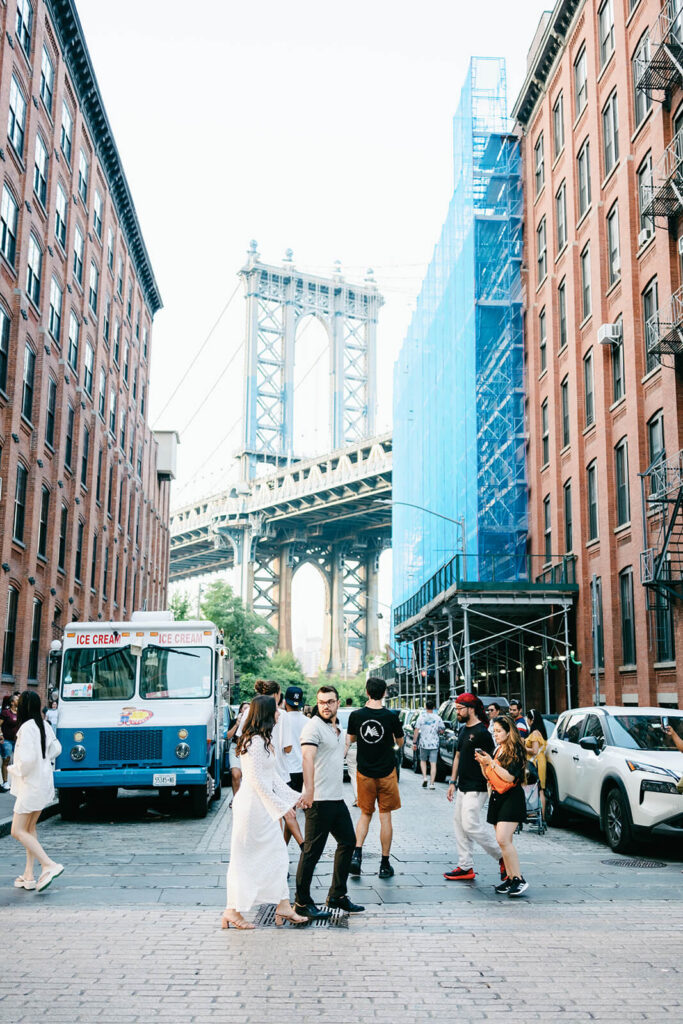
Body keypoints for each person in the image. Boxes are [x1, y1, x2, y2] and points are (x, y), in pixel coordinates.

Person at [223, 696, 308, 930]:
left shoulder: (265, 741)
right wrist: (282, 808)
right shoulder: (255, 743)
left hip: (262, 807)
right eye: (276, 710)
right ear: (266, 714)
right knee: (245, 858)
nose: (280, 713)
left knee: (277, 855)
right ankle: (232, 910)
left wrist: (295, 798)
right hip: (252, 808)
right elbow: (259, 783)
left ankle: (282, 904)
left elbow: (274, 779)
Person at [294, 685, 364, 919]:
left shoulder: (336, 727)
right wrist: (309, 791)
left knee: (348, 842)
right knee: (311, 852)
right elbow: (307, 758)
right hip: (319, 801)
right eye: (322, 702)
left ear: (338, 703)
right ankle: (302, 903)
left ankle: (337, 895)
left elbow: (337, 753)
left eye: (330, 701)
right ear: (317, 703)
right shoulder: (312, 727)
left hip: (336, 798)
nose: (326, 706)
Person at [444, 693, 506, 884]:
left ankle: (503, 857)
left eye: (459, 709)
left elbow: (492, 761)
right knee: (459, 824)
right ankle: (465, 866)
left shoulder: (483, 733)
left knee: (470, 823)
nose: (457, 712)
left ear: (470, 708)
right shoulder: (463, 730)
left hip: (478, 786)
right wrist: (452, 782)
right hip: (462, 786)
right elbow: (457, 757)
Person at [346, 677, 404, 879]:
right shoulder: (391, 716)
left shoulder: (356, 715)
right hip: (387, 772)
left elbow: (351, 738)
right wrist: (392, 746)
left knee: (365, 814)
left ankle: (356, 855)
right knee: (385, 816)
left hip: (364, 772)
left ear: (367, 692)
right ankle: (385, 864)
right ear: (385, 693)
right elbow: (400, 741)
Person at [8, 691, 64, 892]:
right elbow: (57, 748)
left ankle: (49, 864)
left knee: (17, 830)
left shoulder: (26, 728)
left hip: (30, 786)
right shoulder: (44, 725)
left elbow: (26, 762)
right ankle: (29, 874)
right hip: (42, 784)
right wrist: (44, 758)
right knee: (29, 830)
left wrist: (12, 769)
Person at [475, 715, 529, 897]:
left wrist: (491, 763)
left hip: (512, 798)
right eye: (494, 731)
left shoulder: (516, 751)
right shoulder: (498, 750)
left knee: (503, 839)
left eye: (499, 731)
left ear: (508, 732)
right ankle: (510, 878)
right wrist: (484, 765)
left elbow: (509, 777)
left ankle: (519, 879)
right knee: (504, 841)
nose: (495, 734)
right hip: (498, 797)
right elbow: (489, 777)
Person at [282, 686, 307, 847]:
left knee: (287, 813)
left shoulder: (280, 719)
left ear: (285, 701)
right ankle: (282, 848)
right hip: (302, 771)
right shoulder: (309, 721)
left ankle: (303, 846)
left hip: (285, 772)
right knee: (291, 813)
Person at [412, 700, 444, 789]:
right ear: (434, 708)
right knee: (433, 763)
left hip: (423, 743)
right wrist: (438, 731)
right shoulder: (438, 718)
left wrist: (414, 742)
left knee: (423, 761)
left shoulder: (421, 717)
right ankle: (432, 784)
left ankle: (425, 778)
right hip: (434, 744)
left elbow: (416, 730)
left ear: (426, 707)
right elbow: (442, 730)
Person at [525, 708, 548, 822]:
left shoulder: (534, 733)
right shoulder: (541, 732)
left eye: (528, 719)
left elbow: (534, 750)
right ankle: (541, 817)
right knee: (540, 789)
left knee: (538, 789)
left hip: (535, 763)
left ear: (532, 719)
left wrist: (523, 747)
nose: (527, 722)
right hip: (540, 761)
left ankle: (539, 816)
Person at [226, 701, 250, 808]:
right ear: (240, 710)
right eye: (245, 708)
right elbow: (228, 736)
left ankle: (244, 799)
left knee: (246, 777)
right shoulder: (234, 721)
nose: (246, 710)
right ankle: (236, 799)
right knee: (236, 774)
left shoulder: (252, 722)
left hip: (248, 749)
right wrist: (237, 724)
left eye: (249, 708)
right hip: (235, 748)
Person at [0, 695, 16, 792]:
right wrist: (1, 734)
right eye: (17, 699)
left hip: (17, 741)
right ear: (12, 702)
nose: (19, 700)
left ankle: (15, 782)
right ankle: (5, 782)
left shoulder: (20, 713)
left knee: (17, 762)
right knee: (7, 760)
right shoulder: (6, 713)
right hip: (7, 741)